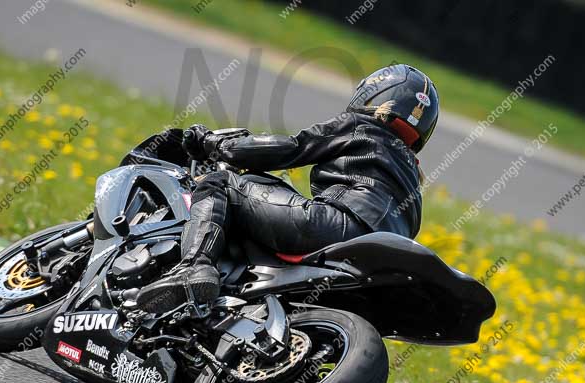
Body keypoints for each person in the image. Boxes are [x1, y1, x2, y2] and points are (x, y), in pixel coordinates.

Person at [135, 64, 439, 314]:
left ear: (376, 92)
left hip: (334, 227)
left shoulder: (362, 125)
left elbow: (292, 148)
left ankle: (193, 267)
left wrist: (216, 144)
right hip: (377, 261)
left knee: (221, 184)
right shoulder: (413, 179)